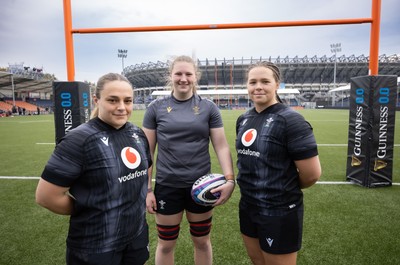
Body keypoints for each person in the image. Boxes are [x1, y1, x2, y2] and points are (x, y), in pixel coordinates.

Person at [35, 73, 152, 265]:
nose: (122, 107)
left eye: (127, 100)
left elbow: (146, 168)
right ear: (97, 100)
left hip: (136, 238)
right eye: (113, 100)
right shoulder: (78, 140)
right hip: (95, 246)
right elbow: (45, 197)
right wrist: (87, 208)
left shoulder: (137, 134)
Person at [143, 55, 235, 265]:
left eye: (188, 74)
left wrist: (230, 179)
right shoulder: (155, 108)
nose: (183, 78)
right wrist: (147, 189)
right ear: (170, 76)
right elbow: (147, 151)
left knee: (202, 241)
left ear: (196, 77)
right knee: (166, 244)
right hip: (167, 186)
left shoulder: (209, 107)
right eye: (178, 73)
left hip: (202, 187)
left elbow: (220, 145)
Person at [235, 61, 322, 265]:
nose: (258, 86)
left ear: (277, 85)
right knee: (257, 261)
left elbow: (312, 174)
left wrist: (281, 187)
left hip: (279, 211)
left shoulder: (292, 120)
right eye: (252, 82)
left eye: (265, 81)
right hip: (248, 206)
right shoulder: (243, 119)